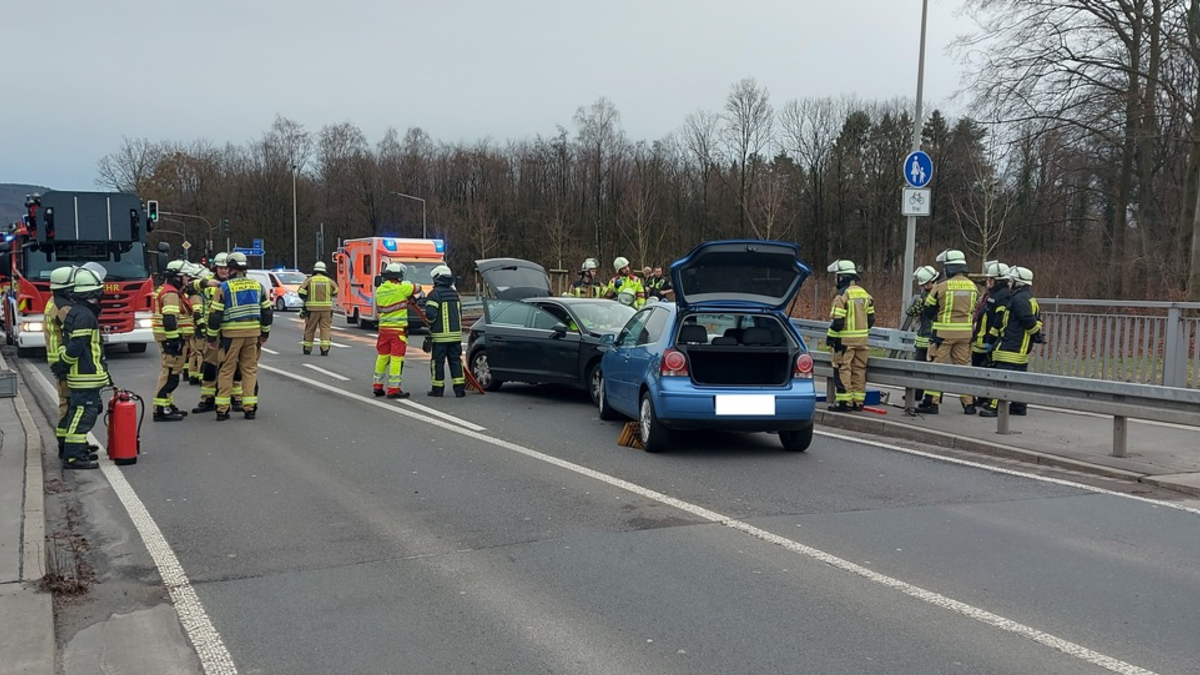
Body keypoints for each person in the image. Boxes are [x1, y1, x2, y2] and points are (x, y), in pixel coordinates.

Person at [207, 252, 272, 420]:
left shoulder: (224, 288)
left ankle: (222, 409)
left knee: (226, 370)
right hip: (252, 334)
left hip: (230, 335)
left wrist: (212, 338)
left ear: (231, 269)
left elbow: (215, 316)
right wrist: (264, 333)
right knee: (249, 370)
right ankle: (250, 408)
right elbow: (267, 312)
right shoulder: (258, 286)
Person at [58, 267, 111, 470]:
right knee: (83, 414)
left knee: (82, 412)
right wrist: (65, 364)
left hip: (85, 374)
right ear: (95, 293)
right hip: (84, 376)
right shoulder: (85, 316)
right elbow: (77, 345)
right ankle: (73, 456)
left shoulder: (77, 312)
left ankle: (76, 449)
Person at [918, 249, 979, 415]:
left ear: (948, 268)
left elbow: (929, 311)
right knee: (963, 369)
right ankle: (969, 404)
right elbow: (973, 308)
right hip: (965, 335)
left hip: (943, 336)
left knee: (936, 368)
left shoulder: (941, 286)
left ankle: (932, 402)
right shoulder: (973, 286)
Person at [980, 266, 1042, 417]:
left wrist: (1036, 334)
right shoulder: (1026, 298)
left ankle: (995, 407)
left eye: (1011, 281)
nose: (1008, 284)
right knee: (1019, 379)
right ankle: (1018, 407)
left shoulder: (1020, 299)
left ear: (1018, 283)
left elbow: (1028, 320)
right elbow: (1035, 321)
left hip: (1012, 346)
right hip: (1019, 346)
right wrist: (1036, 334)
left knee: (1001, 377)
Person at [44, 265, 90, 460]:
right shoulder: (63, 308)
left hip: (57, 359)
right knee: (70, 404)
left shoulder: (53, 301)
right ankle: (68, 446)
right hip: (63, 361)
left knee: (69, 403)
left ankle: (73, 443)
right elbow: (76, 330)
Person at [825, 259, 875, 412]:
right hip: (862, 341)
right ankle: (858, 402)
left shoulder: (841, 296)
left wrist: (830, 338)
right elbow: (871, 320)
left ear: (842, 277)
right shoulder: (865, 294)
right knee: (859, 370)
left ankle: (844, 402)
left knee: (842, 369)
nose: (836, 279)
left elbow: (838, 323)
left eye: (837, 276)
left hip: (845, 341)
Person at [373, 262, 422, 399]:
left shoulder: (380, 290)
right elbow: (418, 288)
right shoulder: (402, 288)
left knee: (382, 357)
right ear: (399, 276)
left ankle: (377, 386)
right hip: (398, 331)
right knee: (396, 359)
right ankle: (393, 389)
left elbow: (379, 309)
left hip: (383, 330)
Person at [151, 260, 190, 421]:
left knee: (171, 372)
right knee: (169, 373)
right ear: (177, 277)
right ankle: (160, 409)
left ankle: (167, 404)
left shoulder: (166, 289)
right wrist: (174, 342)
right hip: (170, 339)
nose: (188, 279)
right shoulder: (171, 294)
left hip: (166, 338)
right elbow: (169, 318)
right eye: (185, 276)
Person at [423, 264, 466, 398]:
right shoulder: (454, 294)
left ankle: (438, 389)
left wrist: (430, 326)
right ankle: (459, 389)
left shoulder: (434, 294)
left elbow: (430, 314)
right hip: (456, 337)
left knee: (438, 362)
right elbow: (460, 312)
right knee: (456, 361)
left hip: (440, 337)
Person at [192, 253, 227, 413]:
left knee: (232, 366)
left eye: (227, 268)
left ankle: (235, 398)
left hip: (229, 331)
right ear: (215, 268)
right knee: (209, 366)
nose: (224, 271)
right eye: (221, 268)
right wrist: (205, 282)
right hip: (212, 332)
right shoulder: (208, 284)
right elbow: (189, 287)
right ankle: (208, 399)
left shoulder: (235, 284)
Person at [906, 265, 939, 411]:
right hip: (922, 336)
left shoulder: (939, 293)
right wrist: (917, 307)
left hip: (933, 337)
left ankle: (931, 398)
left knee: (932, 370)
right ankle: (917, 393)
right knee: (918, 366)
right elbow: (911, 312)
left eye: (927, 284)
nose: (925, 287)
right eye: (923, 285)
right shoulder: (924, 295)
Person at [971, 261, 1011, 368]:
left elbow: (998, 321)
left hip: (987, 344)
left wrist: (990, 341)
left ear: (996, 281)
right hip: (981, 342)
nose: (987, 281)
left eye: (990, 279)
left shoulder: (1003, 296)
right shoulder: (993, 294)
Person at [298, 261, 337, 355]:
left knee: (310, 329)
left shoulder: (309, 280)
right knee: (325, 329)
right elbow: (336, 291)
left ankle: (307, 349)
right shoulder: (329, 281)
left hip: (312, 310)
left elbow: (301, 292)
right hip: (326, 310)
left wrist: (307, 298)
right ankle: (325, 349)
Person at [184, 263, 210, 385]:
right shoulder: (196, 296)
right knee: (201, 353)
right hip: (197, 328)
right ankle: (201, 376)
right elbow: (197, 314)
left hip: (192, 327)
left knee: (194, 352)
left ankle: (192, 375)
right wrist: (203, 328)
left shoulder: (193, 294)